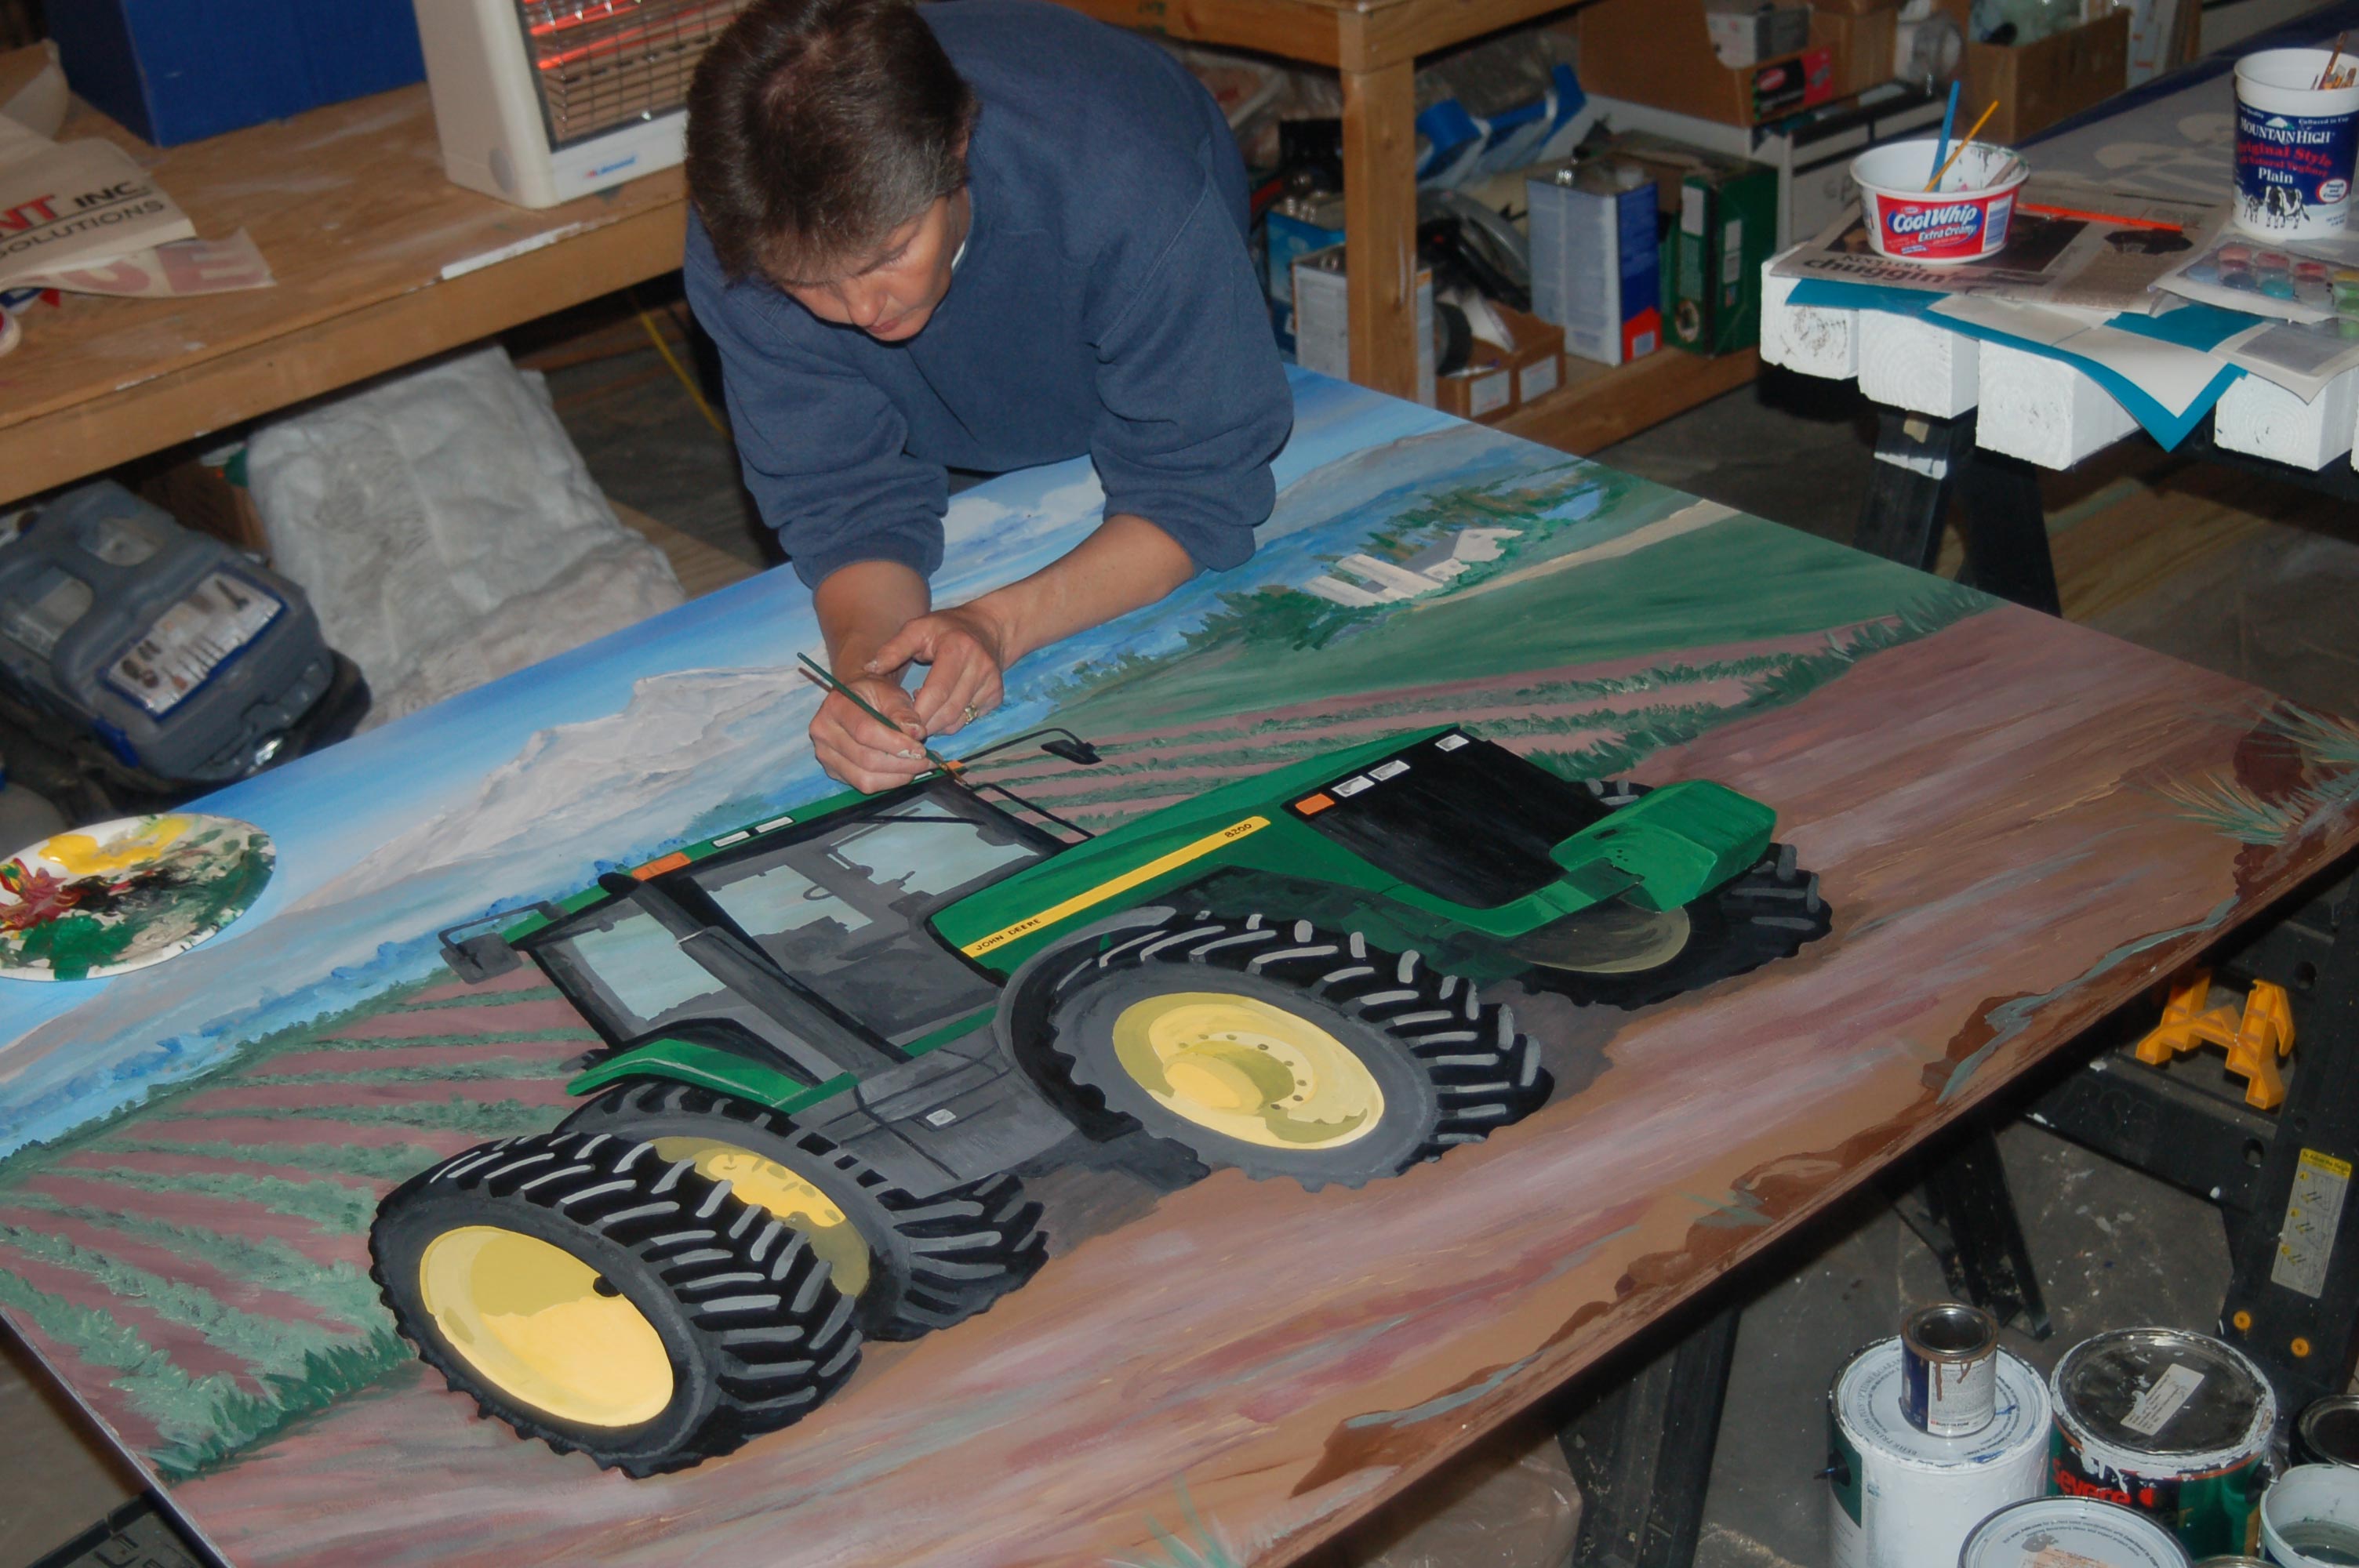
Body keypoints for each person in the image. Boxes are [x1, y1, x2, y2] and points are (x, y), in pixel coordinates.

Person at [684, 0, 1293, 791]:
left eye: (889, 253)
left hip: (1111, 209)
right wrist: (869, 673)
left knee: (1149, 417)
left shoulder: (1125, 181)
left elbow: (1196, 487)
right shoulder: (751, 240)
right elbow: (844, 503)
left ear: (957, 147)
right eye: (809, 285)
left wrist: (996, 623)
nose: (862, 309)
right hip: (1016, 291)